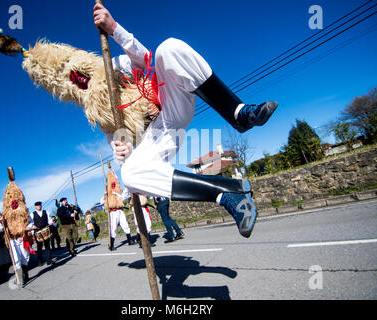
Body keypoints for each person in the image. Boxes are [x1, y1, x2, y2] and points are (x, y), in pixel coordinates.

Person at [93, 3, 279, 239]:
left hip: (170, 107)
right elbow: (123, 150)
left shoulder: (115, 66)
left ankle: (237, 112)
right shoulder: (100, 114)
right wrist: (125, 149)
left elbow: (143, 58)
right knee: (130, 174)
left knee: (168, 48)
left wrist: (113, 28)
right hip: (158, 135)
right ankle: (228, 194)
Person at [103, 167, 135, 251]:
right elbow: (102, 202)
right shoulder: (107, 194)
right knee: (113, 228)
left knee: (125, 225)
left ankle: (130, 240)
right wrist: (105, 195)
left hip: (120, 210)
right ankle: (111, 245)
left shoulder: (118, 193)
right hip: (113, 212)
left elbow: (123, 196)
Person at [30, 202, 53, 266]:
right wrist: (32, 227)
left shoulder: (46, 212)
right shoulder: (32, 214)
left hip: (45, 230)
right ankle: (40, 261)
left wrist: (51, 222)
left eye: (39, 205)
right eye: (37, 205)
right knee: (39, 247)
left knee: (47, 245)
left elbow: (49, 219)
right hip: (37, 232)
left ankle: (49, 260)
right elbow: (30, 223)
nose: (39, 206)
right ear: (35, 207)